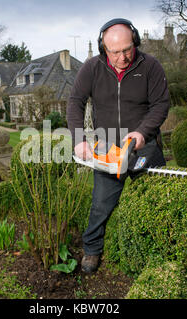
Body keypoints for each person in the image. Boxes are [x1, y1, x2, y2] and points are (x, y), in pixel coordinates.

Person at [66, 18, 170, 273]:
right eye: (115, 52)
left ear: (134, 41)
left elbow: (161, 104)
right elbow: (75, 102)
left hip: (143, 147)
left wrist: (143, 132)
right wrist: (79, 139)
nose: (123, 57)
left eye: (127, 49)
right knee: (101, 203)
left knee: (158, 200)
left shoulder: (150, 66)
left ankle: (163, 253)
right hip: (108, 148)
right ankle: (91, 250)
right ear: (104, 49)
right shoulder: (92, 68)